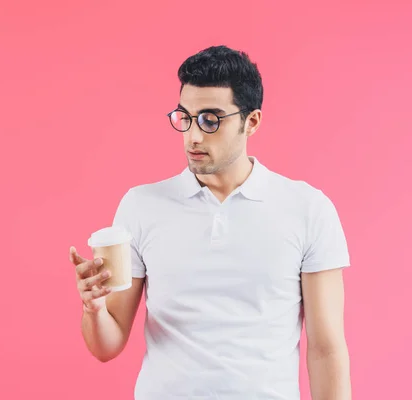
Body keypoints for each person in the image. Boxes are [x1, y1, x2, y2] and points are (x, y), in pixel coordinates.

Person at [69, 45, 351, 399]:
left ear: (252, 122)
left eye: (210, 119)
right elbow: (106, 346)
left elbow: (326, 348)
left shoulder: (307, 209)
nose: (193, 136)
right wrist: (93, 308)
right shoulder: (141, 206)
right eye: (184, 117)